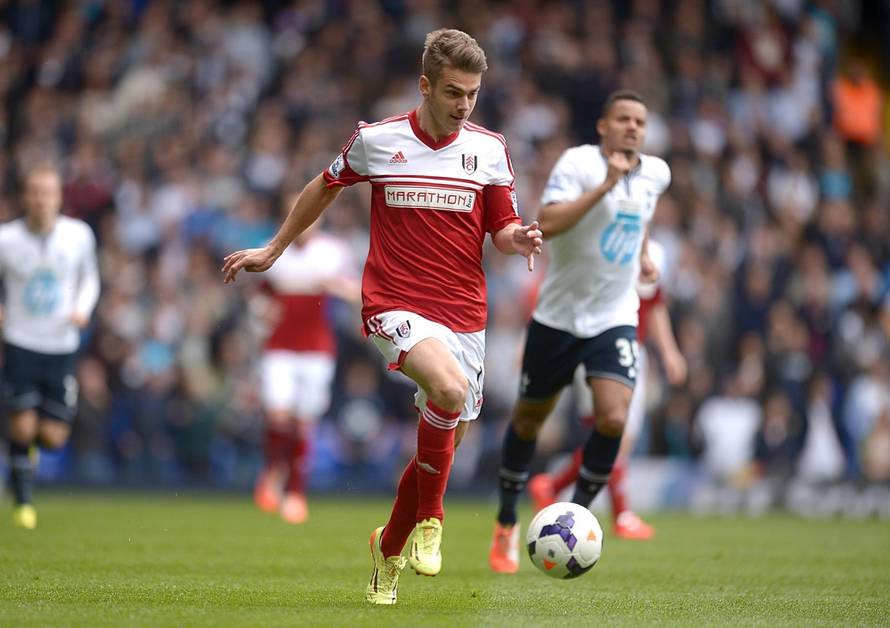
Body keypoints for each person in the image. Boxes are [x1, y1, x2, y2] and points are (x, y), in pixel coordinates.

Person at [222, 29, 542, 605]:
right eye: (452, 92)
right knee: (446, 392)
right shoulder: (378, 139)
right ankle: (432, 523)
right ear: (425, 85)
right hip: (394, 303)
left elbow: (502, 226)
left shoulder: (489, 148)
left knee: (437, 449)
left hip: (465, 314)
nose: (463, 104)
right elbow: (324, 186)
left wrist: (520, 239)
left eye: (471, 94)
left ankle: (387, 552)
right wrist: (274, 249)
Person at [488, 90, 671, 573]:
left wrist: (645, 252)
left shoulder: (656, 173)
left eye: (640, 121)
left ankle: (579, 512)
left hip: (614, 316)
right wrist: (605, 187)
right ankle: (506, 521)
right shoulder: (579, 165)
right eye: (623, 119)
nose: (633, 127)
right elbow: (548, 222)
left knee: (614, 419)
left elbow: (642, 215)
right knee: (529, 422)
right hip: (558, 319)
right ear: (603, 126)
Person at [526, 239, 687, 540]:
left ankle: (553, 485)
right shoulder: (598, 241)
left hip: (631, 350)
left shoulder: (653, 250)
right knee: (615, 433)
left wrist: (668, 352)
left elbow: (655, 304)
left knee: (617, 435)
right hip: (596, 348)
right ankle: (620, 513)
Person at [0, 162, 100, 530]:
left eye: (48, 193)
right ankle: (23, 500)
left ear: (59, 197)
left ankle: (22, 458)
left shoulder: (78, 236)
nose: (41, 200)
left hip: (61, 345)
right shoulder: (6, 239)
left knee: (53, 438)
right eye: (35, 192)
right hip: (21, 342)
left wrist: (82, 309)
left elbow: (90, 278)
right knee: (22, 429)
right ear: (25, 197)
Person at [252, 209, 360, 525]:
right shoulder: (272, 249)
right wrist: (262, 312)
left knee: (303, 422)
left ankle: (296, 492)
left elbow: (356, 290)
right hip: (279, 346)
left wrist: (334, 285)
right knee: (277, 414)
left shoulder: (332, 252)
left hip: (316, 349)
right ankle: (274, 470)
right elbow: (258, 297)